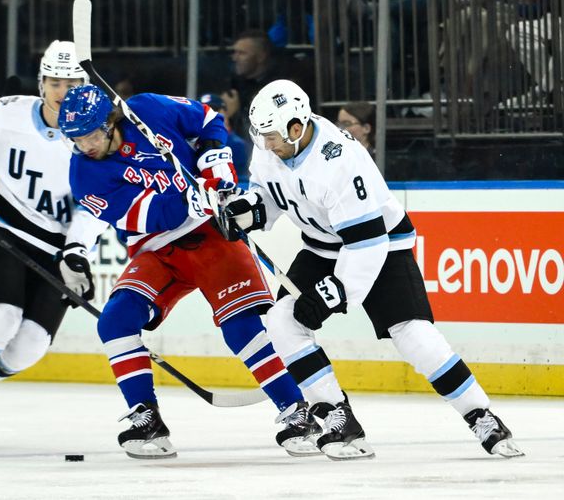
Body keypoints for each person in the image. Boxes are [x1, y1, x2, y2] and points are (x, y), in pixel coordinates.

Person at [58, 84, 371, 460]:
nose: (85, 146)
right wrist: (187, 200)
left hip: (213, 233)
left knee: (242, 328)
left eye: (91, 135)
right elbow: (144, 216)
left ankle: (297, 411)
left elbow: (209, 121)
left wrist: (215, 171)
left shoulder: (147, 109)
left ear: (111, 122)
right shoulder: (84, 173)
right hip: (159, 248)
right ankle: (146, 417)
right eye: (75, 139)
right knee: (114, 321)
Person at [224, 79, 524, 458]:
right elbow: (270, 195)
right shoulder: (271, 144)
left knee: (412, 333)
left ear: (296, 128)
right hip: (322, 246)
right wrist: (248, 211)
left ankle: (481, 415)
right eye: (261, 136)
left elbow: (367, 244)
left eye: (272, 136)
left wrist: (336, 292)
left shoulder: (340, 162)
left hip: (383, 245)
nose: (265, 144)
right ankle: (337, 417)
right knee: (284, 320)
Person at [0, 40, 107, 449]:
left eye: (72, 82)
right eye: (54, 82)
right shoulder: (8, 115)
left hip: (56, 251)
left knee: (29, 347)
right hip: (3, 231)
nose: (62, 91)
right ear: (42, 83)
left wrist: (78, 249)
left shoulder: (96, 135)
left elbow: (97, 203)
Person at [199, 92, 249, 187]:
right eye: (204, 111)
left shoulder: (238, 144)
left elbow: (242, 180)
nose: (209, 114)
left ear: (225, 112)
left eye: (215, 109)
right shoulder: (193, 142)